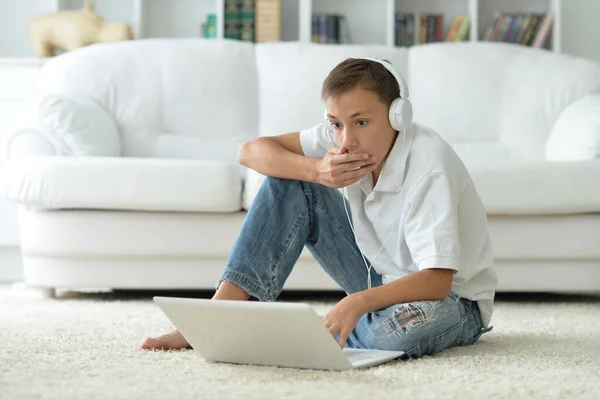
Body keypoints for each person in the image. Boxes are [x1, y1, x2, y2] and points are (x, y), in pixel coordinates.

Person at [141, 57, 497, 358]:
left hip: (451, 300)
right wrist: (315, 170)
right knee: (289, 178)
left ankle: (301, 337)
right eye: (336, 124)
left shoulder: (429, 167)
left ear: (397, 115)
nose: (346, 140)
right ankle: (217, 319)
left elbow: (436, 281)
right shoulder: (341, 136)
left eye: (361, 122)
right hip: (381, 277)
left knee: (396, 334)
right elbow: (250, 151)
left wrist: (356, 303)